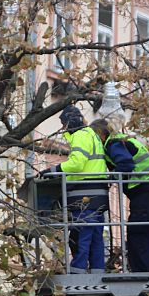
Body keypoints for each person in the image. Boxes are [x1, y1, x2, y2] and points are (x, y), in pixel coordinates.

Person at [90, 119, 149, 272]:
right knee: (148, 232)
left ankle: (141, 274)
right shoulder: (120, 140)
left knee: (138, 233)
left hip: (147, 189)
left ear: (100, 134)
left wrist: (111, 179)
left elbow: (126, 164)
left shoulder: (113, 144)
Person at [40, 105, 109, 273]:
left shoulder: (80, 136)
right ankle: (97, 270)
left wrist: (52, 171)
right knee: (95, 237)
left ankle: (78, 269)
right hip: (98, 194)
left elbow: (77, 164)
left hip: (84, 196)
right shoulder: (91, 135)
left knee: (82, 235)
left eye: (64, 124)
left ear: (69, 123)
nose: (63, 128)